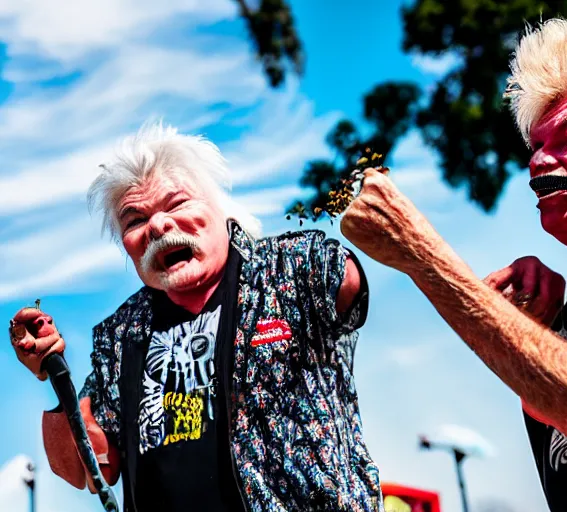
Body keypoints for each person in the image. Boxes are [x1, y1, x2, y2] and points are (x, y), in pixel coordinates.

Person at [340, 18, 567, 511]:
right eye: (536, 146)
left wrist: (419, 252)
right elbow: (563, 416)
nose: (537, 162)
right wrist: (543, 329)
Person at [10, 122, 382, 511]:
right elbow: (86, 471)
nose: (157, 225)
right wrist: (51, 373)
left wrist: (382, 223)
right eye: (134, 221)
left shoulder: (291, 270)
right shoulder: (122, 334)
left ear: (219, 207)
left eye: (177, 204)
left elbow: (347, 279)